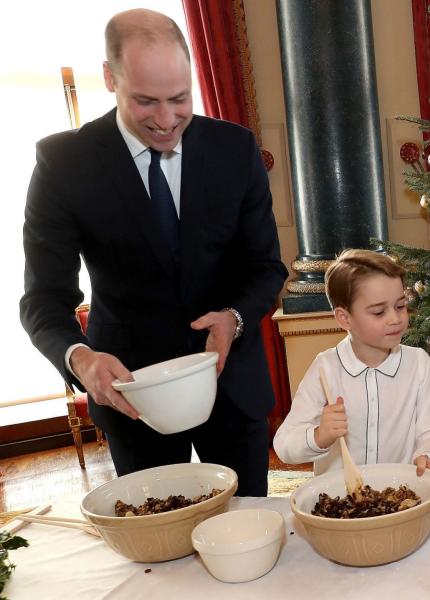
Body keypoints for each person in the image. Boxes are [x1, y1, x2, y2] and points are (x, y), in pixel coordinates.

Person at [20, 9, 288, 496]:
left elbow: (266, 268)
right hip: (131, 398)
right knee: (158, 554)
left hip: (232, 390)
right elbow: (41, 299)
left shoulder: (235, 150)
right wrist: (81, 359)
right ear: (109, 77)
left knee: (249, 543)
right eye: (146, 102)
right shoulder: (64, 164)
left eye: (180, 99)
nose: (166, 121)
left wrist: (236, 318)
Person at [273, 249, 430, 476]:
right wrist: (319, 436)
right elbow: (284, 444)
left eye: (400, 306)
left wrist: (428, 454)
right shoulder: (325, 368)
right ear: (344, 318)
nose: (395, 319)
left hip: (400, 495)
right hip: (340, 503)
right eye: (378, 312)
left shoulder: (418, 363)